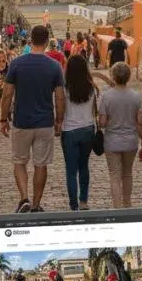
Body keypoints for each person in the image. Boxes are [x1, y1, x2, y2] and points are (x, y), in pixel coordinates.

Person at [0, 25, 65, 213]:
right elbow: (60, 97)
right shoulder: (54, 66)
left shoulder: (17, 64)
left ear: (30, 39)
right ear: (46, 41)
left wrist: (3, 119)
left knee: (20, 162)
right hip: (45, 122)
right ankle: (36, 204)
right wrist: (59, 120)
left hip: (22, 121)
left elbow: (7, 94)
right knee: (40, 164)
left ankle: (24, 198)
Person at [98, 62, 142, 208]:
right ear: (129, 77)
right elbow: (141, 123)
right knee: (127, 173)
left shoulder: (106, 97)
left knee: (114, 175)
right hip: (131, 141)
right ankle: (127, 204)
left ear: (113, 76)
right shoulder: (136, 97)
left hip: (112, 141)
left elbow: (103, 123)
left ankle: (117, 207)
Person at [60, 54, 97, 211]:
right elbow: (95, 110)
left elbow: (60, 110)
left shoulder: (64, 88)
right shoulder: (91, 87)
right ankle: (84, 201)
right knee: (84, 167)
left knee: (71, 170)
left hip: (69, 130)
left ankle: (73, 204)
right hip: (88, 129)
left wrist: (57, 123)